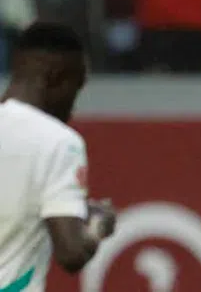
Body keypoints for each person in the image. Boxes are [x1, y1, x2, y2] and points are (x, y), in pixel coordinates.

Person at [0, 22, 115, 291]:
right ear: (54, 77)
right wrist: (98, 225)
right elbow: (71, 253)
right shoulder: (60, 142)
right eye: (76, 87)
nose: (74, 105)